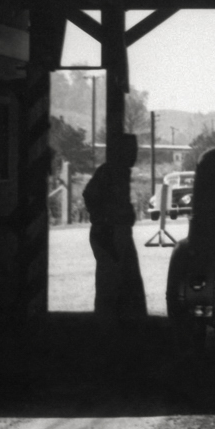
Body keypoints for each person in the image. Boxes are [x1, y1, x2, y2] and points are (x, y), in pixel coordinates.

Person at [83, 133, 149, 324]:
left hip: (114, 232)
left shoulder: (116, 171)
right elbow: (90, 194)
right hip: (110, 233)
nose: (134, 154)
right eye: (131, 150)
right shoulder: (112, 171)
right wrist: (104, 219)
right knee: (111, 284)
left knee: (119, 282)